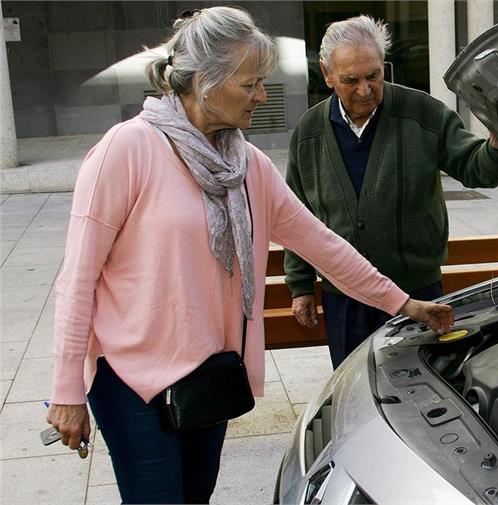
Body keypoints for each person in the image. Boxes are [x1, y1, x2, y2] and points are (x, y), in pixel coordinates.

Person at [45, 7, 452, 504]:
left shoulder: (246, 164)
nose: (262, 95)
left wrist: (404, 304)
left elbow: (323, 245)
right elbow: (76, 279)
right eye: (251, 84)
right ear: (205, 82)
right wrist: (67, 391)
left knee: (196, 496)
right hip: (131, 380)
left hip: (211, 375)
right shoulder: (126, 150)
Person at [284, 15, 498, 369]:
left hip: (416, 291)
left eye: (373, 76)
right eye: (350, 80)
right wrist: (300, 285)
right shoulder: (310, 130)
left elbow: (476, 167)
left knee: (419, 383)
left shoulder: (422, 113)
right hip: (344, 296)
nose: (364, 90)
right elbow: (296, 214)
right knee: (352, 385)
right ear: (327, 73)